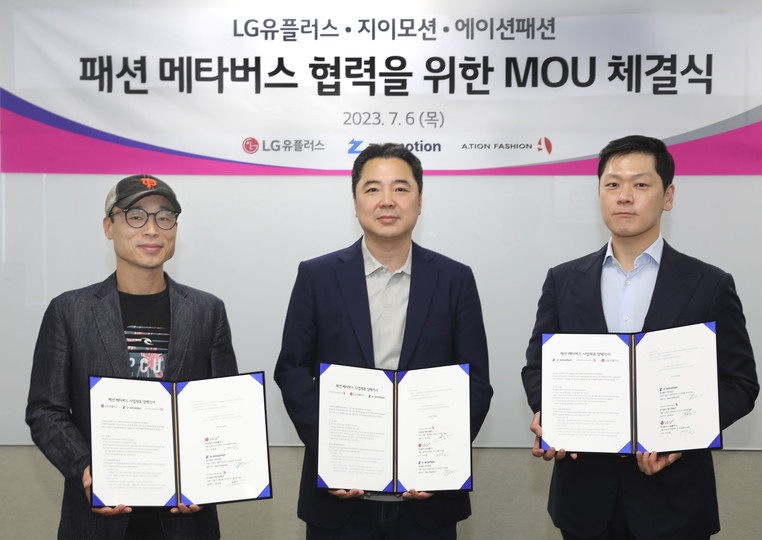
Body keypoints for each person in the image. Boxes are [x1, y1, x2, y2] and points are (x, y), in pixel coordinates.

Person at [522, 135, 759, 540]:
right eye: (612, 184)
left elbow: (740, 384)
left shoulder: (709, 284)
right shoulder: (563, 280)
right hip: (584, 500)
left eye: (641, 184)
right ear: (599, 194)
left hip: (675, 503)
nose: (624, 196)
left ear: (668, 196)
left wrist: (681, 435)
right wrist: (553, 414)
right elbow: (537, 369)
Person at [274, 143, 493, 539]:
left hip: (428, 502)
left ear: (420, 201)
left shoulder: (455, 279)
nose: (387, 200)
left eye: (401, 188)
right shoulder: (317, 276)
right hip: (338, 501)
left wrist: (441, 458)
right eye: (373, 189)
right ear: (355, 201)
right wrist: (331, 451)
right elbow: (292, 371)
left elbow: (475, 381)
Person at [26, 175, 238, 540]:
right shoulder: (69, 311)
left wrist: (208, 478)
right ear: (109, 227)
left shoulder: (207, 311)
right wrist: (85, 468)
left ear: (175, 229)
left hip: (185, 521)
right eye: (135, 216)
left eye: (164, 217)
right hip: (98, 521)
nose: (152, 229)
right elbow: (45, 410)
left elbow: (222, 410)